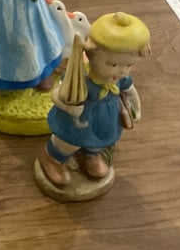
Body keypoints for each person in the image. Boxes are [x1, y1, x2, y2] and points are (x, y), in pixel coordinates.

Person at [38, 12, 151, 189]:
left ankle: (90, 155)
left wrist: (137, 109)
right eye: (113, 64)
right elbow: (56, 95)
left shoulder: (120, 80)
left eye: (129, 65)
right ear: (91, 54)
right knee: (67, 143)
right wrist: (68, 108)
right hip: (78, 123)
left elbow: (130, 92)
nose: (121, 71)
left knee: (98, 142)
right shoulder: (80, 79)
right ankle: (53, 158)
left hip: (105, 122)